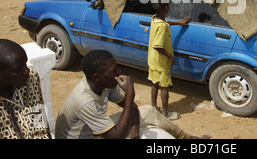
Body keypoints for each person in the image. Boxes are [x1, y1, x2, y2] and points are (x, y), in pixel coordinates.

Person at [55, 49, 200, 139]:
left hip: (93, 132)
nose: (119, 73)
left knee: (149, 111)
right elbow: (117, 136)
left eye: (117, 68)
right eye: (114, 71)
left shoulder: (104, 83)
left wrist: (135, 133)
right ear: (97, 77)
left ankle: (187, 138)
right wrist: (130, 94)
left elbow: (133, 108)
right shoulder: (85, 101)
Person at [0, 39, 51, 139]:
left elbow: (41, 122)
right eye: (18, 69)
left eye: (25, 64)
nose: (27, 71)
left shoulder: (31, 79)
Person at [148, 0, 191, 120]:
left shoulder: (155, 19)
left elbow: (164, 22)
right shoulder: (162, 26)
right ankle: (166, 113)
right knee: (164, 86)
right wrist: (170, 56)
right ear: (166, 8)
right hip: (161, 61)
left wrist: (178, 22)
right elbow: (157, 45)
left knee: (154, 83)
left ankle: (153, 106)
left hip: (152, 59)